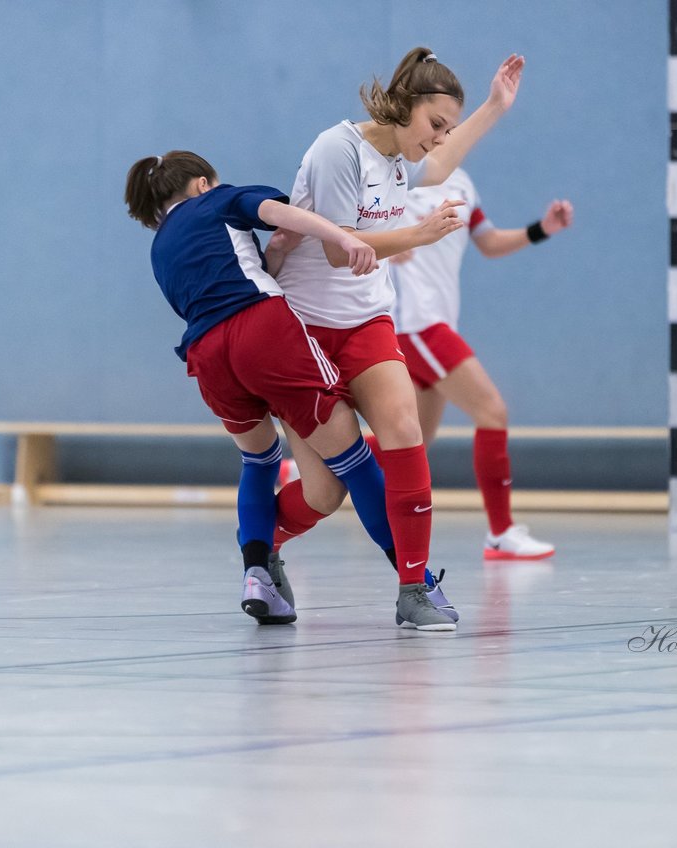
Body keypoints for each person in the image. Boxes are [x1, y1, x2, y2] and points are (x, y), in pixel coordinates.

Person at [123, 150, 456, 630]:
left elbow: (242, 274)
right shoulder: (219, 199)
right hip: (263, 335)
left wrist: (276, 254)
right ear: (201, 184)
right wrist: (342, 235)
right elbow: (278, 214)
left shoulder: (160, 247)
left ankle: (257, 570)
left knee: (258, 460)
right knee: (357, 463)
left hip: (207, 357)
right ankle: (416, 581)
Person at [270, 47, 525, 623]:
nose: (439, 139)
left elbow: (441, 162)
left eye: (447, 129)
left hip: (368, 323)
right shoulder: (338, 149)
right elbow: (341, 249)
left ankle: (415, 590)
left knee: (407, 429)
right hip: (305, 334)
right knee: (324, 495)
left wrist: (494, 107)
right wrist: (418, 235)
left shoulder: (399, 162)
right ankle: (264, 546)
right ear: (403, 107)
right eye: (434, 124)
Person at [385, 168, 574, 559]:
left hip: (436, 322)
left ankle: (312, 466)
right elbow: (349, 223)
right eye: (435, 121)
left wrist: (542, 228)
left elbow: (487, 242)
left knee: (415, 437)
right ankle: (500, 532)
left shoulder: (462, 182)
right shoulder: (395, 175)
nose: (443, 132)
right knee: (492, 410)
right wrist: (386, 241)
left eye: (450, 124)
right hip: (416, 324)